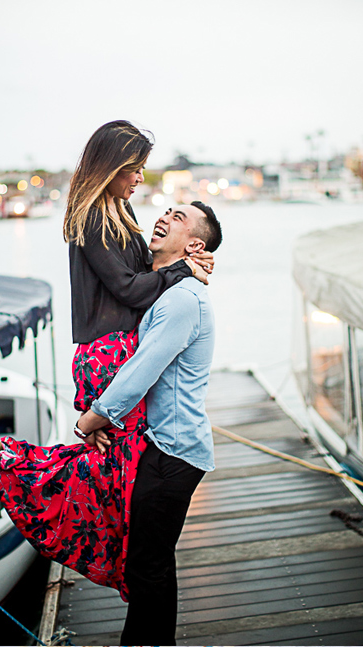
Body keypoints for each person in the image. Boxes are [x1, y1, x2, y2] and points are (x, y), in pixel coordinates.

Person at [0, 120, 215, 603]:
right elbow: (127, 289)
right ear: (113, 167)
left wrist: (184, 263)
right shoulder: (91, 218)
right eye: (135, 169)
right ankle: (6, 473)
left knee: (110, 474)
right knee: (103, 470)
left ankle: (132, 567)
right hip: (105, 355)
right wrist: (182, 270)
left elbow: (141, 277)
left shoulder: (118, 213)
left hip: (116, 350)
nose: (139, 180)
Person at [74, 201, 221, 645]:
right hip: (162, 446)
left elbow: (143, 368)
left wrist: (92, 417)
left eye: (178, 218)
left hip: (174, 451)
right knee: (150, 563)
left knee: (147, 566)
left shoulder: (182, 300)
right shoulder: (169, 289)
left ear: (194, 244)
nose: (163, 217)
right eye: (167, 210)